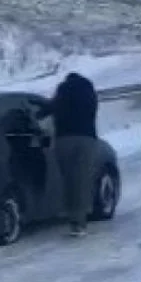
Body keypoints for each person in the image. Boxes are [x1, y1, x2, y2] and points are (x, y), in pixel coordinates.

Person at [33, 72, 98, 237]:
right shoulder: (89, 91)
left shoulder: (63, 89)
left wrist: (37, 114)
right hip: (86, 139)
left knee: (68, 179)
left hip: (64, 139)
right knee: (82, 180)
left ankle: (70, 215)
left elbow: (52, 107)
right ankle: (79, 222)